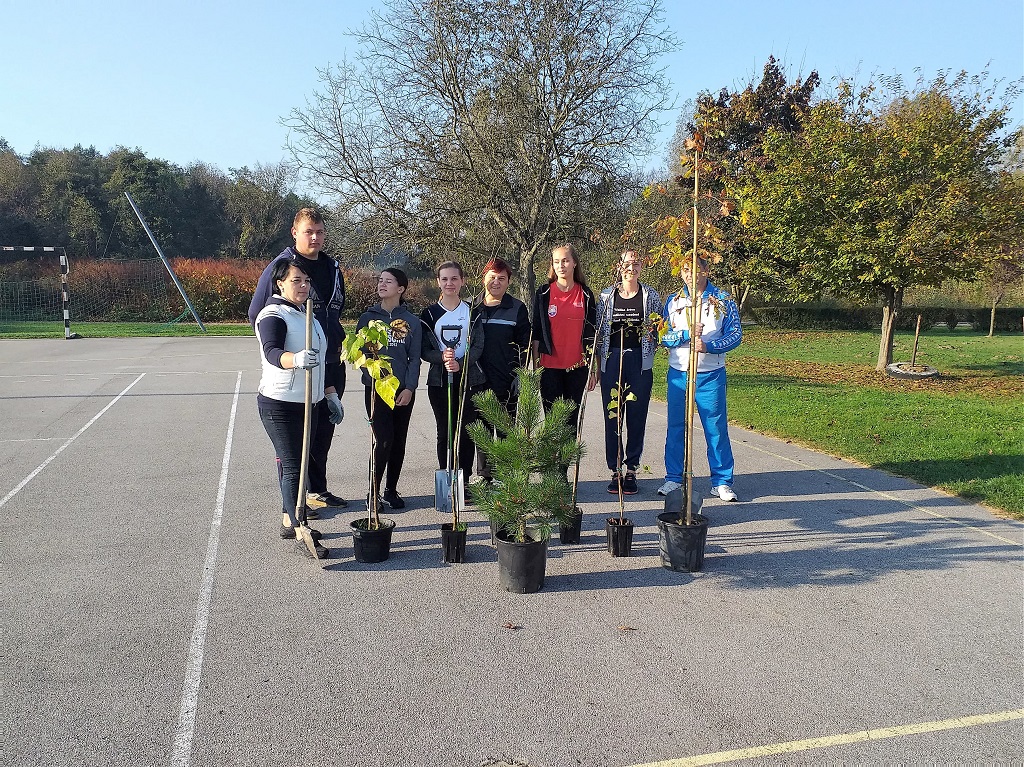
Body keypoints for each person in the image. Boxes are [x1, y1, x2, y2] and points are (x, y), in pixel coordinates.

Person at [248, 208, 348, 512]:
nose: (315, 237)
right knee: (292, 446)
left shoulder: (331, 266)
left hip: (328, 360)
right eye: (309, 232)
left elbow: (335, 310)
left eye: (319, 231)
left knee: (321, 433)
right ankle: (292, 504)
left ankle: (317, 489)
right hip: (295, 365)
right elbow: (258, 313)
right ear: (295, 232)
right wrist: (287, 355)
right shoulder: (283, 267)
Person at [254, 257, 335, 558]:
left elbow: (323, 358)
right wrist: (296, 359)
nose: (303, 285)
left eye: (306, 281)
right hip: (280, 403)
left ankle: (288, 519)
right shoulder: (272, 314)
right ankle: (302, 530)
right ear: (280, 283)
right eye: (296, 280)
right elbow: (273, 351)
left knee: (296, 463)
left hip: (309, 403)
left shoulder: (308, 315)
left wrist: (330, 394)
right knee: (293, 466)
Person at [658, 257, 742, 502]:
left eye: (694, 269)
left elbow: (735, 334)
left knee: (715, 428)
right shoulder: (674, 301)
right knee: (676, 427)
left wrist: (709, 346)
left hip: (710, 375)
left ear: (706, 271)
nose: (689, 275)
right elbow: (662, 336)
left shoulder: (723, 300)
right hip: (679, 374)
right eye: (684, 270)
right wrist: (685, 335)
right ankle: (674, 477)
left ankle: (722, 481)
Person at [590, 250, 662, 495]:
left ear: (642, 267)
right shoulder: (607, 296)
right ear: (619, 266)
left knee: (636, 416)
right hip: (611, 361)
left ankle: (631, 469)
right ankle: (615, 469)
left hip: (639, 363)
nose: (632, 267)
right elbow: (599, 334)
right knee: (613, 416)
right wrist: (597, 365)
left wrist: (654, 336)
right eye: (627, 263)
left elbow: (658, 328)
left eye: (636, 263)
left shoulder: (650, 294)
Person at [355, 268, 421, 510]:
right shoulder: (368, 319)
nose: (382, 285)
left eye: (388, 281)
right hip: (376, 390)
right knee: (383, 441)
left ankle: (390, 490)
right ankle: (372, 494)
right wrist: (376, 381)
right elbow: (361, 356)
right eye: (380, 281)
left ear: (401, 288)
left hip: (403, 392)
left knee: (398, 441)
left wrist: (410, 388)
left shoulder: (411, 321)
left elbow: (414, 359)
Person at [420, 261, 485, 490]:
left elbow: (478, 346)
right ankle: (448, 481)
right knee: (445, 432)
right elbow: (424, 351)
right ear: (438, 282)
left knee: (466, 431)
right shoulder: (428, 314)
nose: (450, 283)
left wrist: (460, 363)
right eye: (445, 279)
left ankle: (464, 481)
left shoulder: (472, 312)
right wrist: (442, 358)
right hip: (439, 381)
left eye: (454, 279)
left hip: (469, 380)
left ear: (462, 281)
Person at [473, 257, 531, 482]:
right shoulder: (471, 308)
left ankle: (506, 478)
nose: (496, 282)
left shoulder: (517, 308)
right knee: (483, 432)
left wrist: (520, 374)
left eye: (502, 278)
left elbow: (525, 345)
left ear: (508, 282)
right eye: (492, 277)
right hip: (478, 381)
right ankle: (485, 477)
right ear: (483, 278)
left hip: (507, 383)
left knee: (506, 431)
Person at [531, 243, 597, 414]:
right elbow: (536, 333)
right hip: (549, 368)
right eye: (556, 261)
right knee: (552, 423)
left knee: (572, 422)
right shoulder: (543, 294)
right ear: (552, 265)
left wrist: (591, 369)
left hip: (577, 367)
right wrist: (536, 368)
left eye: (565, 261)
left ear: (574, 263)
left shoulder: (586, 295)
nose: (561, 266)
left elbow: (592, 335)